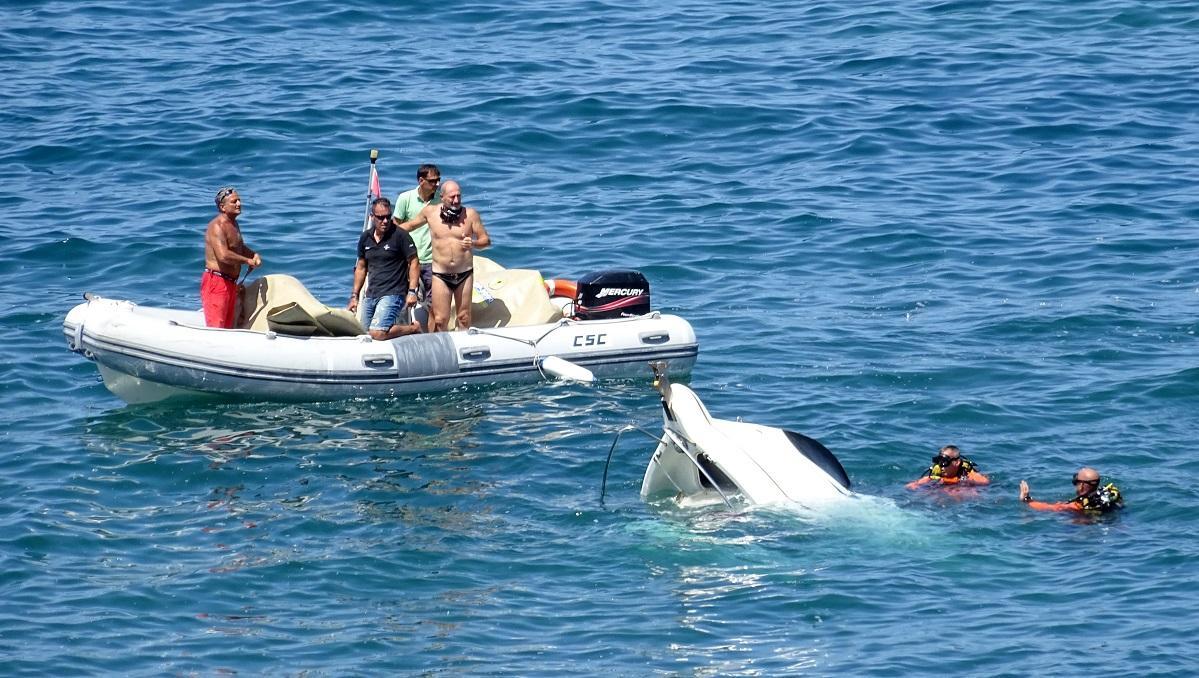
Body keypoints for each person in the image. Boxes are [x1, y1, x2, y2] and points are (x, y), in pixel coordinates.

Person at [402, 180, 491, 332]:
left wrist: (474, 244)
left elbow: (486, 241)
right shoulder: (430, 212)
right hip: (440, 275)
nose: (456, 200)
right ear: (442, 197)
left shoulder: (470, 215)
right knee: (440, 319)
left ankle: (464, 346)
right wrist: (386, 234)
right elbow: (409, 226)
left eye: (458, 196)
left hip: (464, 274)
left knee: (463, 316)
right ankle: (439, 348)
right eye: (452, 197)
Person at [348, 197, 421, 340]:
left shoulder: (400, 235)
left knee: (377, 333)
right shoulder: (365, 238)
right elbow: (361, 268)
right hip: (372, 293)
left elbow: (414, 262)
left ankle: (413, 328)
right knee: (364, 334)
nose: (385, 221)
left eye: (388, 216)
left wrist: (412, 291)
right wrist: (354, 296)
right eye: (381, 218)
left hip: (394, 293)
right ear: (372, 217)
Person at [202, 186, 261, 328]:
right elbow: (223, 255)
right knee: (217, 328)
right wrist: (247, 260)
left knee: (228, 326)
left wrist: (253, 254)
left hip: (231, 283)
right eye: (234, 201)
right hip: (217, 282)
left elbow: (238, 247)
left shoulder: (234, 224)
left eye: (239, 200)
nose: (239, 204)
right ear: (223, 207)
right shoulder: (217, 226)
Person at [392, 164, 441, 301]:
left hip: (433, 260)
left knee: (434, 302)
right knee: (406, 299)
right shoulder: (405, 198)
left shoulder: (441, 200)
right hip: (409, 259)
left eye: (438, 180)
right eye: (432, 181)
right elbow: (396, 227)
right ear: (421, 181)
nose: (436, 184)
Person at [1019, 467, 1124, 513]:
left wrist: (1026, 499)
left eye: (1076, 483)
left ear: (1082, 485)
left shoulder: (1076, 505)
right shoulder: (1106, 495)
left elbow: (1048, 508)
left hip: (1087, 525)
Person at [905, 445, 989, 489]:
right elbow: (910, 486)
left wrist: (964, 482)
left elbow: (985, 482)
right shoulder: (934, 477)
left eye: (944, 462)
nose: (941, 466)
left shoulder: (969, 476)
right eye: (939, 462)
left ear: (957, 462)